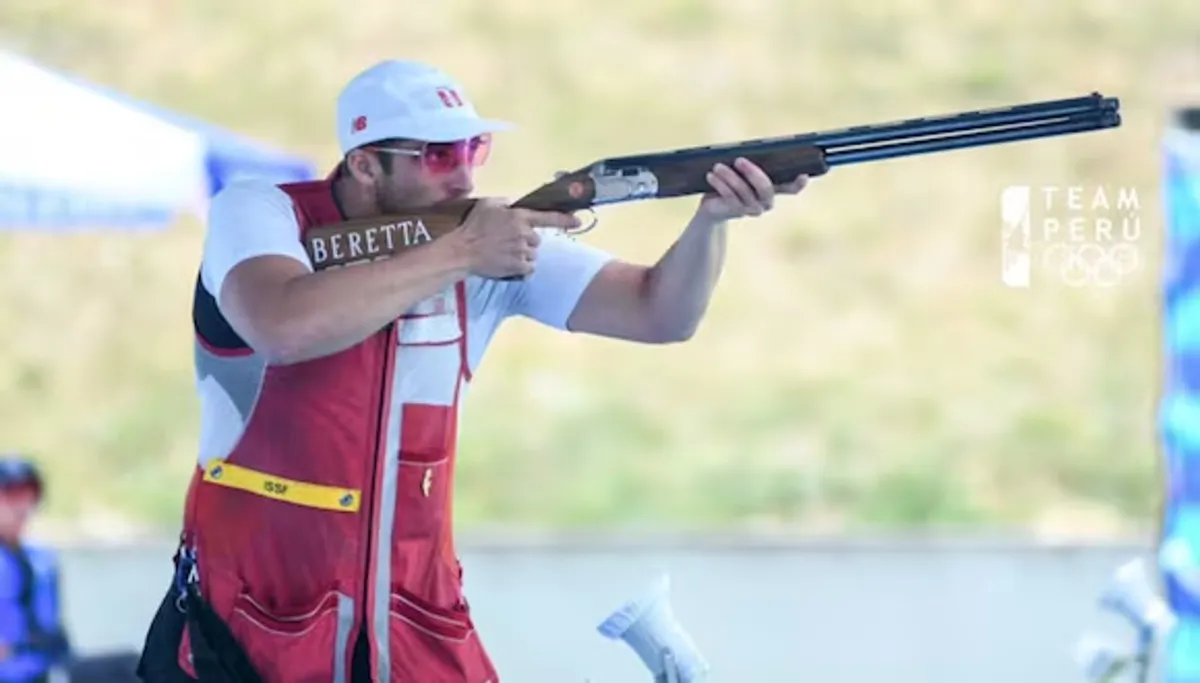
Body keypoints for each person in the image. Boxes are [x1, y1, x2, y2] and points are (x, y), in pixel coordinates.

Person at [135, 59, 809, 683]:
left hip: (415, 617)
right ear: (366, 166)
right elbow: (283, 324)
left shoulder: (483, 244)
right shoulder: (261, 210)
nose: (464, 175)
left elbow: (660, 313)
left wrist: (712, 219)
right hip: (252, 621)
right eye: (437, 155)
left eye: (473, 150)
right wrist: (461, 251)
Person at [0, 456, 71, 683]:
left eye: (29, 495)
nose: (22, 506)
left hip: (40, 675)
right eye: (10, 495)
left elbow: (55, 631)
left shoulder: (43, 559)